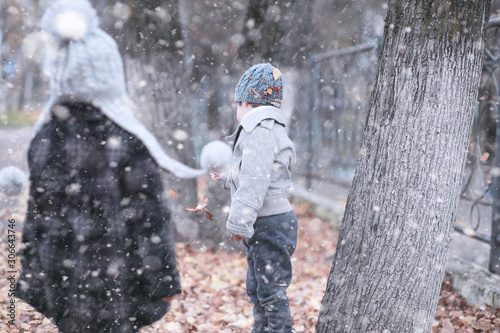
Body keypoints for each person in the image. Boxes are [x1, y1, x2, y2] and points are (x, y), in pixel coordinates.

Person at [16, 1, 205, 332]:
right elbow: (151, 220)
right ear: (110, 74)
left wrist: (32, 273)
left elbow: (37, 215)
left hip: (63, 282)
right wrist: (162, 282)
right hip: (120, 283)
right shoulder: (127, 140)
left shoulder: (46, 137)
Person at [211, 63, 298, 333]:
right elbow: (253, 174)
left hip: (269, 224)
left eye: (237, 104)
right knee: (257, 288)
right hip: (267, 224)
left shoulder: (259, 132)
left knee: (271, 292)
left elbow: (255, 183)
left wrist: (239, 224)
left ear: (246, 102)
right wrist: (227, 179)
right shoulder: (264, 130)